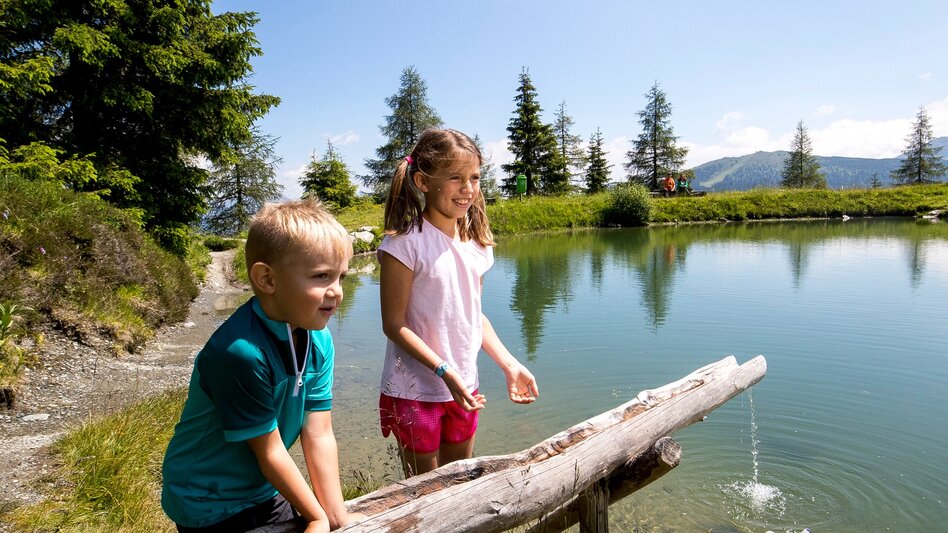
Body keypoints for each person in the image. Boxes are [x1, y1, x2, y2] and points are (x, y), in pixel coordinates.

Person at [161, 198, 365, 533]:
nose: (337, 292)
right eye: (322, 276)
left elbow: (319, 432)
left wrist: (335, 515)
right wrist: (315, 519)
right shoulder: (239, 353)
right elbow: (269, 450)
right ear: (267, 279)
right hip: (208, 498)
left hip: (261, 485)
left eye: (341, 276)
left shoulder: (319, 339)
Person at [377, 128, 540, 477]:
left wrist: (509, 364)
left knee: (459, 481)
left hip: (464, 385)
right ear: (422, 181)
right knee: (423, 493)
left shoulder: (477, 244)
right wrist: (443, 370)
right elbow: (393, 325)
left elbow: (473, 315)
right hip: (416, 389)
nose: (468, 188)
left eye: (475, 177)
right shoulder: (403, 245)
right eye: (455, 177)